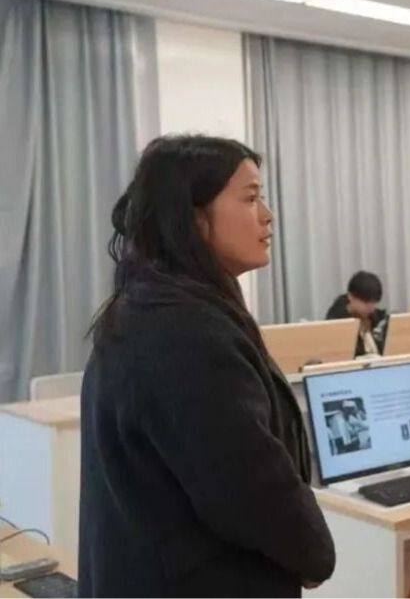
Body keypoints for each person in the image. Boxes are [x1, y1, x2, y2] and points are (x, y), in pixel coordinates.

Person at [79, 135, 335, 597]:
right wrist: (312, 552)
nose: (268, 215)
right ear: (194, 217)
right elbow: (248, 485)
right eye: (251, 198)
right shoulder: (184, 334)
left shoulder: (153, 309)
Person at [326, 271, 387, 356]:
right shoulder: (336, 323)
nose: (371, 308)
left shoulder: (377, 319)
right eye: (365, 302)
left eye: (374, 302)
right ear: (350, 296)